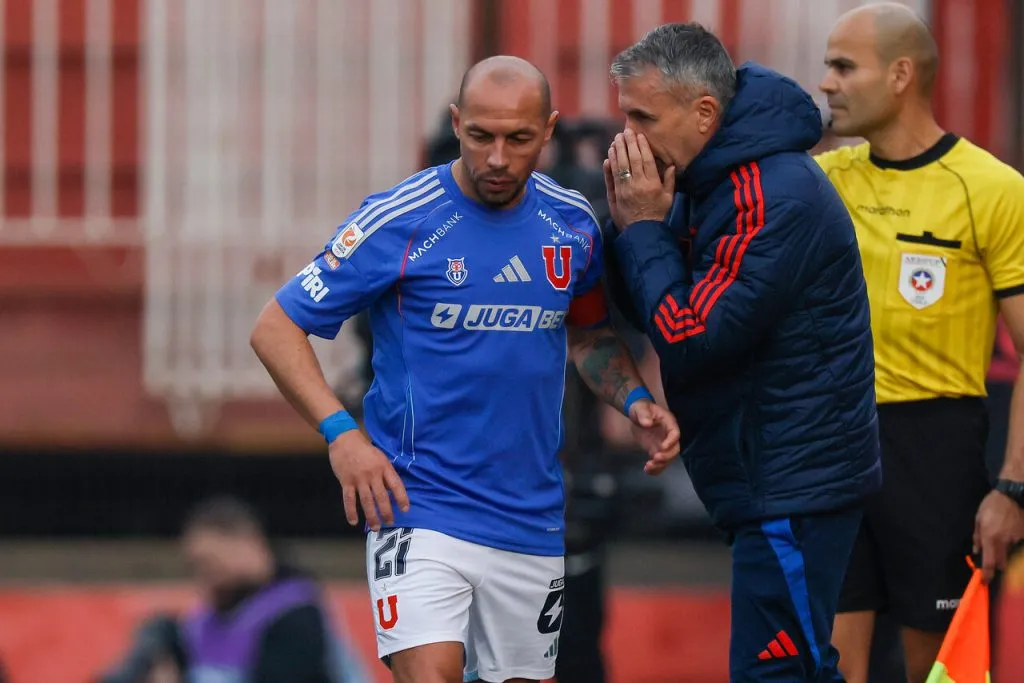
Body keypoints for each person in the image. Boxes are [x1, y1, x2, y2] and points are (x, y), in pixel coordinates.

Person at [250, 55, 680, 683]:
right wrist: (342, 436)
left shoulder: (573, 224)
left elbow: (588, 335)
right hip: (419, 507)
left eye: (518, 138)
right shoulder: (401, 219)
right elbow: (275, 326)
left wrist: (635, 400)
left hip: (531, 518)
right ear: (457, 123)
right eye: (480, 136)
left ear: (550, 129)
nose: (498, 158)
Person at [600, 23, 882, 682]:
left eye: (643, 117)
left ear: (704, 113)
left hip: (793, 483)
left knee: (779, 674)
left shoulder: (769, 196)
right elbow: (647, 296)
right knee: (801, 668)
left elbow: (692, 337)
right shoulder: (709, 174)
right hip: (770, 478)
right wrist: (626, 226)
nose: (628, 138)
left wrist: (642, 227)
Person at [815, 4, 1024, 681]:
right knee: (830, 661)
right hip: (833, 443)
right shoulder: (824, 182)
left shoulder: (991, 189)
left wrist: (1013, 489)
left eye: (844, 66)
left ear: (901, 74)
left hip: (934, 448)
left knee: (936, 667)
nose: (827, 83)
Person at [98, 495, 370, 683]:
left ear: (249, 542)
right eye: (196, 567)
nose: (205, 577)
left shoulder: (297, 612)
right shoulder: (206, 620)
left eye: (209, 563)